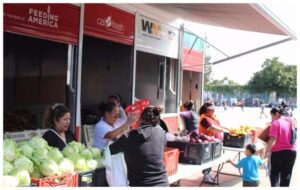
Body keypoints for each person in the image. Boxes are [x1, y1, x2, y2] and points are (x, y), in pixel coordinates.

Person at [109, 106, 173, 186]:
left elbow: (109, 150)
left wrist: (127, 125)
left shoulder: (128, 137)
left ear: (140, 120)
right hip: (163, 183)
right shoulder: (161, 133)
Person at [264, 107, 297, 187]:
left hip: (278, 153)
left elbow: (273, 140)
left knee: (274, 175)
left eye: (272, 116)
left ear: (277, 114)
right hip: (292, 152)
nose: (272, 118)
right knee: (286, 176)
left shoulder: (276, 123)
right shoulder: (292, 121)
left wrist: (266, 153)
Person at [198, 102, 228, 182]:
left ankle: (208, 173)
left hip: (215, 142)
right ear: (207, 110)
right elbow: (212, 128)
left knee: (212, 159)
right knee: (207, 159)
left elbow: (219, 126)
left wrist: (227, 128)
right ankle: (206, 175)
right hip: (208, 143)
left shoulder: (212, 117)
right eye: (212, 110)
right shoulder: (204, 118)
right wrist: (224, 131)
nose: (214, 112)